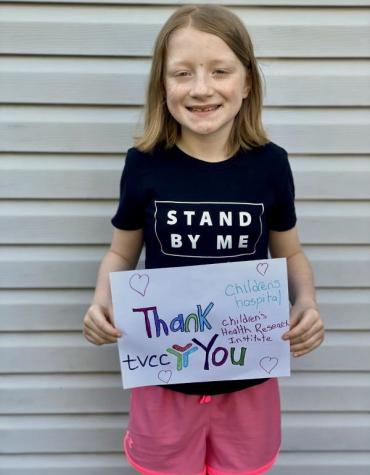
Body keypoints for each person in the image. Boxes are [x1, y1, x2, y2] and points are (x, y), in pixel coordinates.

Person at [83, 4, 325, 475]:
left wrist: (308, 302)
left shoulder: (271, 165)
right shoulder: (145, 163)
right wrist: (100, 303)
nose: (200, 88)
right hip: (163, 378)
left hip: (249, 376)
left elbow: (289, 251)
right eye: (182, 73)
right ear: (163, 86)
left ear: (247, 81)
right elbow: (121, 251)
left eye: (220, 71)